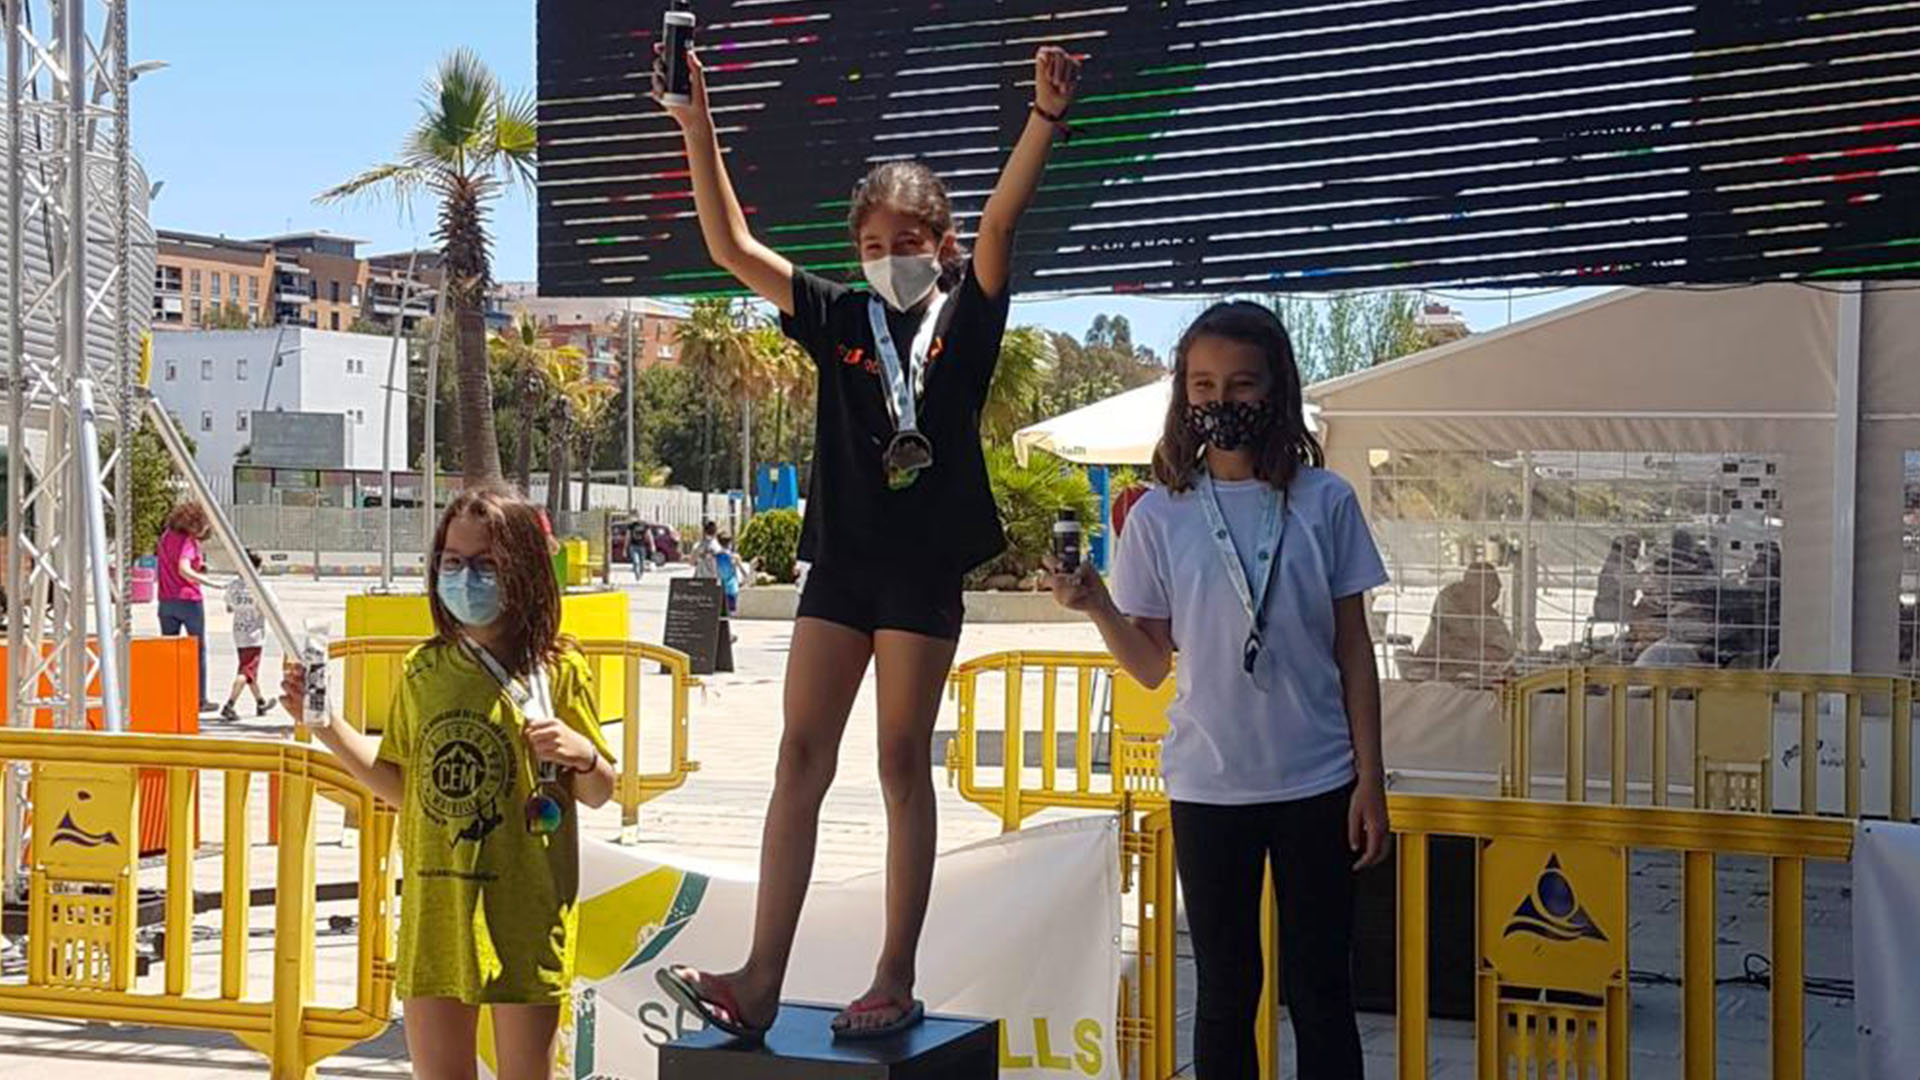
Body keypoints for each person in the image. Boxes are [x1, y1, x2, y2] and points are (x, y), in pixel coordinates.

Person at [651, 41, 1081, 1041]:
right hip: (841, 563)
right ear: (858, 250)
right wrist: (695, 122)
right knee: (799, 754)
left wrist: (1043, 122)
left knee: (898, 763)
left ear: (943, 241)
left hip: (923, 569)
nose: (894, 253)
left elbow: (1007, 221)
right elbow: (731, 246)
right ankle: (760, 977)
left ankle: (895, 975)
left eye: (913, 238)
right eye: (877, 240)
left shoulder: (968, 319)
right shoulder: (837, 313)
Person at [1048, 301, 1389, 1079]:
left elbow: (1353, 648)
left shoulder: (1326, 501)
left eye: (1241, 384)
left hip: (1319, 782)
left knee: (1323, 991)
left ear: (1275, 387)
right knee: (1228, 993)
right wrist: (1096, 601)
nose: (1222, 401)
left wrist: (1371, 779)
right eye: (1203, 385)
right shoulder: (1158, 516)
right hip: (1209, 789)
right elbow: (1149, 665)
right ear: (1183, 394)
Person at [283, 487, 617, 1079]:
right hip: (435, 915)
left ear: (524, 571)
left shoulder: (558, 668)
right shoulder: (423, 669)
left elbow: (599, 792)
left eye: (486, 564)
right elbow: (404, 786)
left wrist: (583, 754)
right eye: (453, 562)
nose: (466, 577)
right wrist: (325, 725)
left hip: (523, 916)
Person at [1406, 562, 1518, 684]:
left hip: (1468, 671)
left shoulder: (1485, 608)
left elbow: (1506, 645)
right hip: (1435, 668)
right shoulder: (1449, 600)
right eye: (1492, 587)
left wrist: (1498, 650)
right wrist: (1486, 652)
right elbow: (1460, 639)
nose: (1497, 593)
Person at [156, 501, 221, 713]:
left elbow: (172, 564)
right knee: (198, 650)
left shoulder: (165, 536)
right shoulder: (188, 541)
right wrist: (206, 580)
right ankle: (199, 698)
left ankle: (168, 693)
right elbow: (183, 568)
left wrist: (198, 566)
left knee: (169, 651)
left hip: (166, 601)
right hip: (188, 600)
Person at [220, 551, 274, 722]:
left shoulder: (234, 586)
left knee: (249, 669)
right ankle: (230, 704)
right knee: (246, 671)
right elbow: (272, 607)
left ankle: (260, 702)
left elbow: (229, 607)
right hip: (255, 634)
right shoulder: (261, 587)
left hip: (239, 632)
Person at [716, 532, 742, 615]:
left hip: (720, 585)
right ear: (730, 543)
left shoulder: (716, 556)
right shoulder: (734, 556)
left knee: (721, 610)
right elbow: (741, 569)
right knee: (732, 610)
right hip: (732, 585)